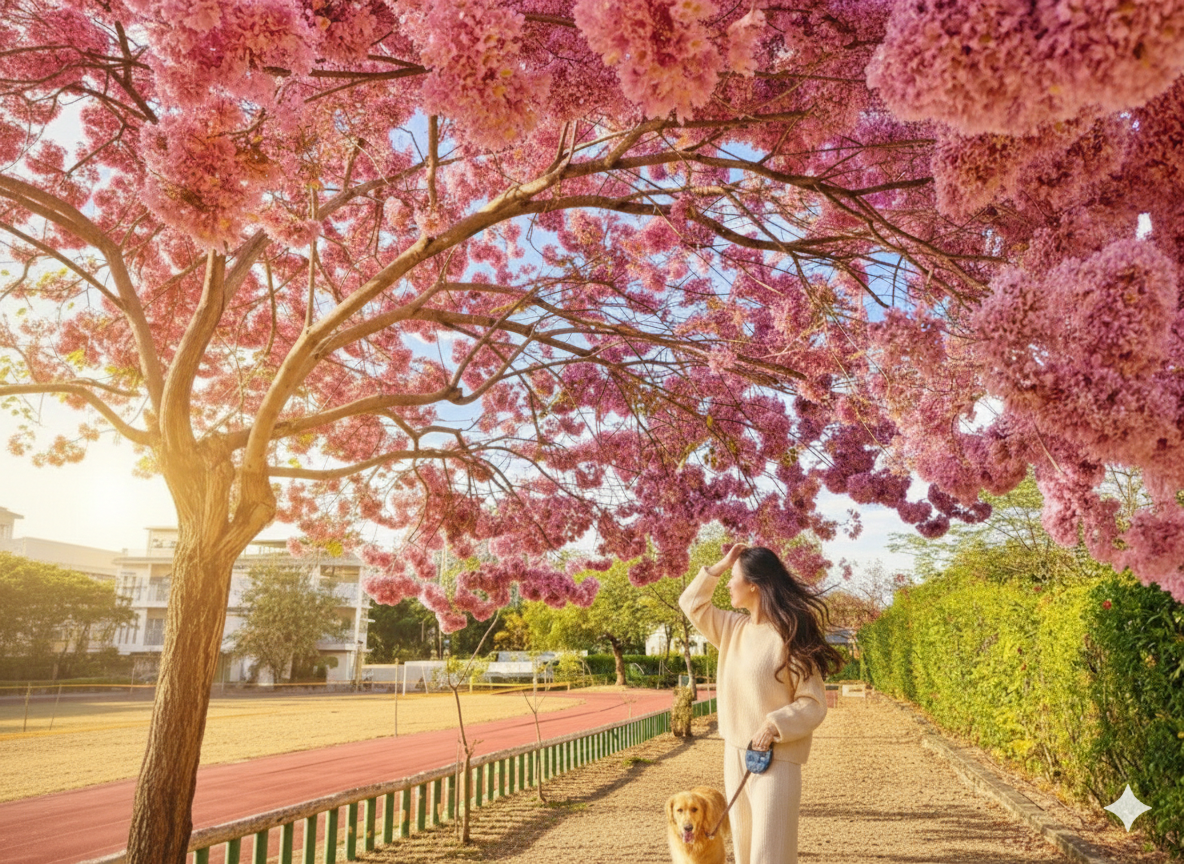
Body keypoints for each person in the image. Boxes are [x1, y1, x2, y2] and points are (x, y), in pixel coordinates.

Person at [679, 544, 844, 864]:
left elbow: (813, 703)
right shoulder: (731, 628)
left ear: (753, 584)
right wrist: (724, 564)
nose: (728, 583)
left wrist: (774, 724)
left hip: (777, 759)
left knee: (771, 853)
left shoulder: (790, 634)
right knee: (743, 848)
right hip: (736, 754)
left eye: (734, 577)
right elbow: (691, 602)